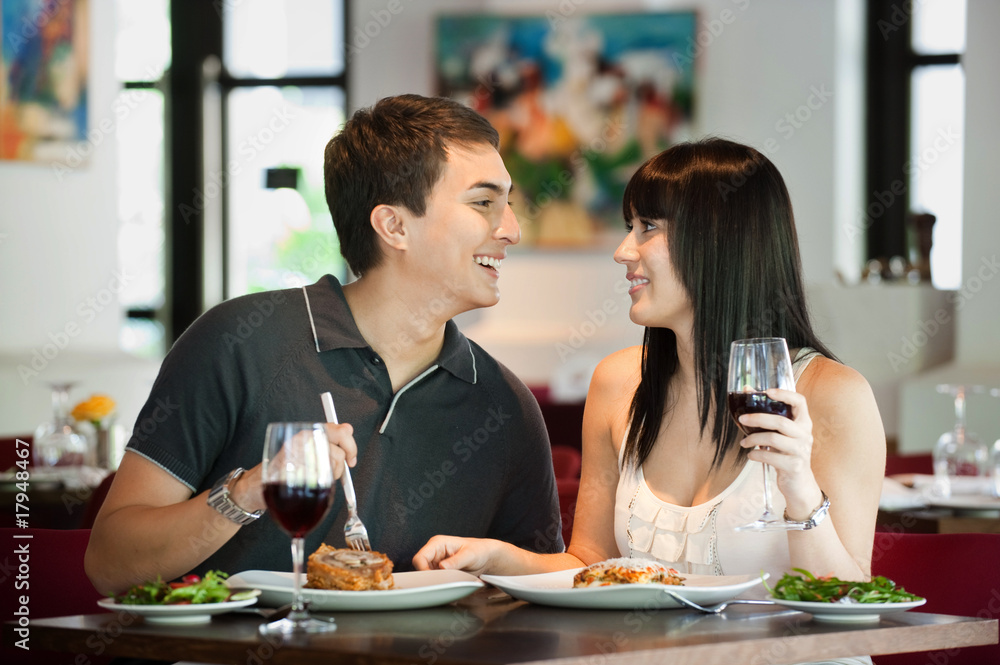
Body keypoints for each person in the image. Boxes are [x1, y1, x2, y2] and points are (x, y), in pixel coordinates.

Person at [86, 94, 563, 595]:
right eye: (484, 202)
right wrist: (250, 490)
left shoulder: (506, 405)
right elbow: (111, 563)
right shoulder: (237, 343)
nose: (511, 229)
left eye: (508, 203)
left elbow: (537, 596)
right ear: (394, 226)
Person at [414, 138, 886, 592]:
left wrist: (799, 487)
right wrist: (496, 558)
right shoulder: (617, 382)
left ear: (720, 242)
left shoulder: (833, 395)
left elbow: (845, 602)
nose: (623, 251)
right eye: (629, 227)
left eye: (648, 228)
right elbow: (590, 565)